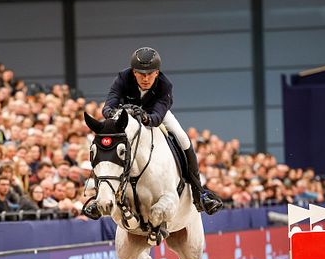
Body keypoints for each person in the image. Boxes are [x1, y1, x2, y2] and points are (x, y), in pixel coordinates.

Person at [85, 47, 222, 219]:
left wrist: (146, 118)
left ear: (157, 72)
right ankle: (99, 196)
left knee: (183, 138)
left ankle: (199, 193)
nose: (146, 78)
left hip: (156, 116)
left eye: (150, 73)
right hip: (125, 116)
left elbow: (158, 115)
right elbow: (110, 102)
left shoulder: (165, 85)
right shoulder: (122, 77)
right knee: (106, 143)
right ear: (134, 72)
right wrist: (111, 113)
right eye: (141, 74)